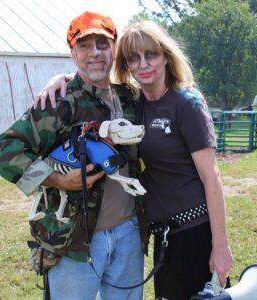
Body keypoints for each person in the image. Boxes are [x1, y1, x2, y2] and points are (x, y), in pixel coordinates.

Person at [37, 20, 234, 300]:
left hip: (194, 232)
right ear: (126, 64)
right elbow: (94, 81)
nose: (143, 64)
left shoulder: (186, 103)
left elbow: (211, 177)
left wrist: (221, 246)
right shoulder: (133, 102)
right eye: (133, 58)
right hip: (162, 234)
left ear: (165, 55)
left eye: (151, 54)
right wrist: (64, 78)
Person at [0, 11, 148, 300]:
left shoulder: (131, 97)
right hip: (74, 242)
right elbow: (6, 150)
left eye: (102, 45)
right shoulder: (58, 102)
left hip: (128, 231)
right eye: (84, 46)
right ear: (73, 53)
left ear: (114, 48)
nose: (94, 54)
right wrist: (57, 180)